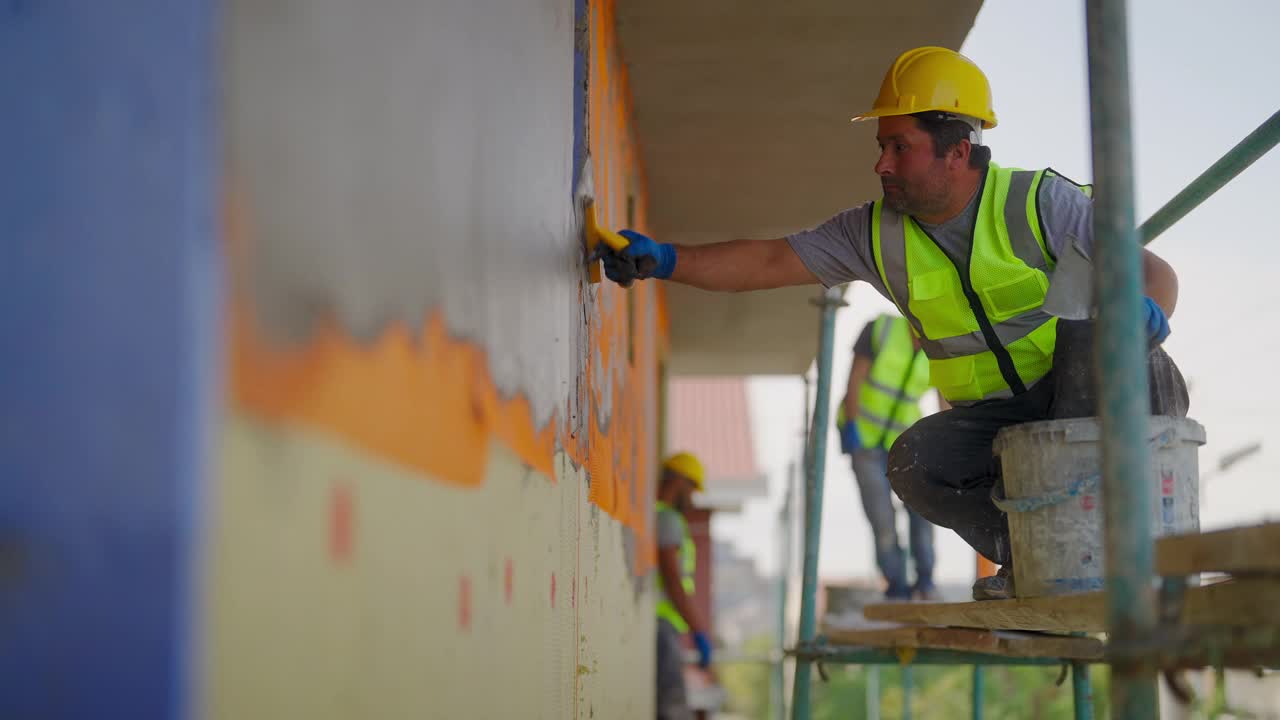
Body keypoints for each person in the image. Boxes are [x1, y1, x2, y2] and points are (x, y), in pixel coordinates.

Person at [598, 47, 1189, 601]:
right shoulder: (873, 232)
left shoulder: (1037, 203)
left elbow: (1153, 273)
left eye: (898, 146)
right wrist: (667, 259)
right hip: (996, 422)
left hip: (1081, 398)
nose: (880, 163)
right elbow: (770, 260)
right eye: (882, 145)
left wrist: (1148, 315)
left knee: (1111, 337)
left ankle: (1134, 550)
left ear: (957, 150)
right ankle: (1033, 557)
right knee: (913, 463)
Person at [838, 313, 938, 601]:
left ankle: (926, 580)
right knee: (882, 519)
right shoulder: (881, 330)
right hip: (865, 443)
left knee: (922, 508)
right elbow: (855, 380)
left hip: (905, 444)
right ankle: (896, 586)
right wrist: (853, 427)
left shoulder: (941, 347)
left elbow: (945, 399)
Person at [655, 452, 713, 720]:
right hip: (663, 627)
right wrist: (698, 629)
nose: (691, 498)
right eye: (691, 488)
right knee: (672, 708)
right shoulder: (667, 520)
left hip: (665, 628)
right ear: (678, 481)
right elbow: (673, 582)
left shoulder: (662, 517)